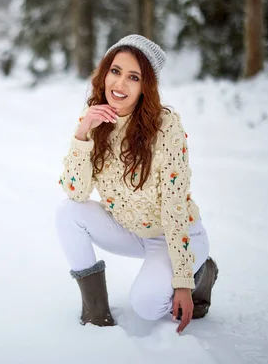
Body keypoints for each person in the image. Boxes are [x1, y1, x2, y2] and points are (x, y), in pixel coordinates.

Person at [55, 34, 218, 334]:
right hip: (129, 229)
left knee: (147, 307)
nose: (120, 84)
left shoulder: (166, 126)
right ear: (104, 72)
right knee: (67, 212)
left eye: (134, 77)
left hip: (174, 234)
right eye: (115, 71)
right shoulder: (94, 119)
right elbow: (75, 191)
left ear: (146, 87)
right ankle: (96, 312)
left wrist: (182, 282)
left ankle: (201, 271)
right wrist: (83, 132)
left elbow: (175, 204)